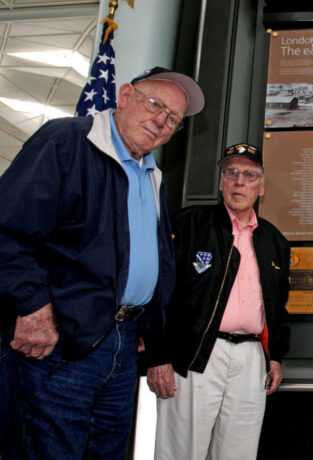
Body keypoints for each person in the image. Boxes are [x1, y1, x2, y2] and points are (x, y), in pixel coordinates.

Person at [0, 66, 204, 459]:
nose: (161, 121)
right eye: (155, 104)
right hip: (61, 341)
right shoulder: (66, 142)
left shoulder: (150, 173)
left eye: (173, 119)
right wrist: (32, 308)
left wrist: (147, 327)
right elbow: (8, 230)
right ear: (125, 96)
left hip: (122, 345)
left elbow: (145, 261)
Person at [146, 143, 291, 460]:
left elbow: (277, 306)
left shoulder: (274, 241)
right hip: (196, 354)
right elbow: (158, 294)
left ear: (261, 186)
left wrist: (275, 356)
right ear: (221, 181)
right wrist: (158, 356)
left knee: (238, 451)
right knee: (181, 451)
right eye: (232, 173)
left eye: (250, 175)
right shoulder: (188, 226)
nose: (240, 182)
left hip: (251, 359)